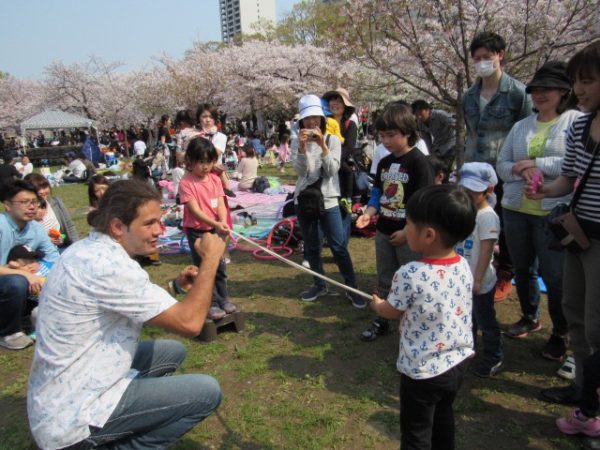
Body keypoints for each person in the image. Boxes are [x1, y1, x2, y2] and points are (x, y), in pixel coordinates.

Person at [27, 180, 225, 450]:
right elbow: (190, 323)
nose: (159, 231)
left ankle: (126, 417)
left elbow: (116, 299)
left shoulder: (89, 250)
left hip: (60, 392)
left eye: (159, 221)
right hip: (71, 420)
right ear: (118, 226)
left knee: (171, 351)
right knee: (206, 392)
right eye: (149, 223)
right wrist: (211, 259)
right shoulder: (108, 265)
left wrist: (176, 288)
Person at [370, 183, 476, 450]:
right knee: (443, 416)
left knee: (416, 433)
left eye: (408, 224)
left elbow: (391, 311)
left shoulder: (410, 273)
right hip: (457, 362)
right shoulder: (463, 264)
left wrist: (378, 305)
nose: (405, 230)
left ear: (428, 235)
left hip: (423, 371)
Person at [526, 41, 600, 411]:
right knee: (575, 312)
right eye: (576, 81)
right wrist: (541, 191)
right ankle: (584, 394)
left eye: (587, 80)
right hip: (578, 236)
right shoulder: (580, 126)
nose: (580, 90)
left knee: (597, 322)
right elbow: (567, 181)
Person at [496, 61, 580, 359]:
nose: (540, 95)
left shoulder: (574, 121)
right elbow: (503, 164)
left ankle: (561, 331)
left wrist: (536, 164)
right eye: (536, 89)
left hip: (553, 210)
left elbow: (573, 162)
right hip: (516, 208)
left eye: (547, 89)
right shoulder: (521, 126)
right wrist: (518, 170)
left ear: (563, 91)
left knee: (555, 275)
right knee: (522, 268)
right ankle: (530, 316)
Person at [462, 31, 533, 302]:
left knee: (504, 223)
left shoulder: (517, 93)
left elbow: (526, 131)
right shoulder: (469, 96)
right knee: (476, 221)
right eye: (477, 58)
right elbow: (471, 131)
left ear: (500, 55)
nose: (482, 62)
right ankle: (478, 266)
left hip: (505, 170)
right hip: (474, 169)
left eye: (487, 57)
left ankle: (506, 273)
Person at [356, 102, 435, 340]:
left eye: (391, 135)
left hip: (409, 235)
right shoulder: (384, 163)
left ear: (407, 133)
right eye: (382, 136)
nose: (386, 141)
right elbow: (378, 193)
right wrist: (368, 213)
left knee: (410, 279)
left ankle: (413, 325)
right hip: (384, 230)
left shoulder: (420, 162)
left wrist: (407, 231)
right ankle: (383, 320)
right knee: (385, 277)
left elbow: (424, 203)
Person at [293, 94, 364, 308]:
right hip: (305, 199)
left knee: (338, 245)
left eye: (316, 118)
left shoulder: (333, 140)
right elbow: (300, 172)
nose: (312, 123)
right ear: (301, 121)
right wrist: (302, 150)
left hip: (329, 198)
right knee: (312, 246)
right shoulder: (298, 141)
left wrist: (323, 146)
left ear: (323, 119)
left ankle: (352, 287)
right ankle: (319, 284)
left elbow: (332, 169)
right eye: (308, 119)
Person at [179, 137, 237, 320]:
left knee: (219, 266)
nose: (205, 166)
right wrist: (215, 224)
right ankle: (209, 303)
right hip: (197, 231)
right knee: (204, 268)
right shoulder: (186, 183)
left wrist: (222, 221)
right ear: (190, 161)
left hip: (215, 229)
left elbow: (220, 202)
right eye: (201, 162)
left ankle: (223, 298)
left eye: (209, 161)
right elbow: (194, 210)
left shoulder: (214, 179)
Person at [456, 162, 503, 377]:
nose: (468, 194)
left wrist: (477, 279)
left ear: (488, 189)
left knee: (485, 320)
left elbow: (485, 252)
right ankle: (468, 352)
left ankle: (494, 357)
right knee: (467, 319)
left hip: (480, 281)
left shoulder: (487, 217)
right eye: (464, 189)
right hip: (462, 279)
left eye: (473, 191)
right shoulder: (466, 211)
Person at [0, 180, 59, 350]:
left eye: (34, 202)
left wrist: (38, 266)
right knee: (17, 282)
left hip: (21, 283)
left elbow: (54, 257)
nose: (32, 206)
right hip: (9, 282)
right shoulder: (1, 225)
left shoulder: (35, 228)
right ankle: (9, 333)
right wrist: (24, 274)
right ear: (8, 205)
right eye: (24, 202)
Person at [322, 88, 359, 214]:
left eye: (339, 100)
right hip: (324, 166)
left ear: (345, 105)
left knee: (341, 211)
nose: (335, 103)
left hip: (341, 166)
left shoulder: (350, 124)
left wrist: (334, 161)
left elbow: (349, 147)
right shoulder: (323, 122)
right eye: (332, 100)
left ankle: (347, 200)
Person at [25, 173, 79, 249]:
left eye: (44, 187)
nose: (42, 192)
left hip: (63, 246)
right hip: (42, 252)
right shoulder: (26, 212)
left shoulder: (56, 202)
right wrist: (46, 241)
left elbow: (69, 225)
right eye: (38, 189)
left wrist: (76, 246)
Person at [411, 100, 456, 172]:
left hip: (450, 144)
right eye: (416, 115)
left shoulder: (440, 115)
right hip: (437, 146)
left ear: (428, 110)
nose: (419, 117)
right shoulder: (420, 122)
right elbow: (426, 139)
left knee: (445, 169)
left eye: (420, 114)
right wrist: (429, 153)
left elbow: (455, 124)